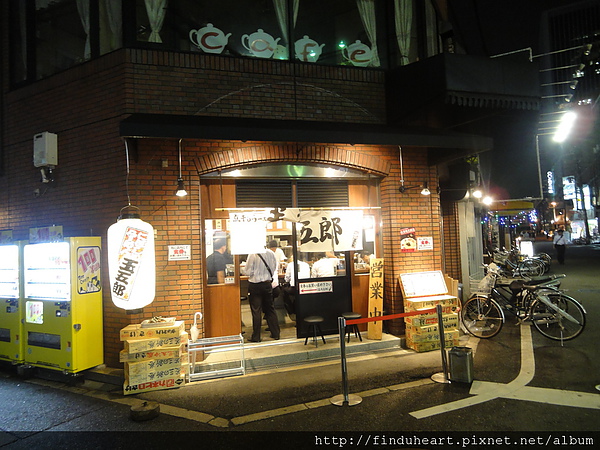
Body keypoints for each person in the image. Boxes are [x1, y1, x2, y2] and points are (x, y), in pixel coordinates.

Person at [244, 249, 280, 342]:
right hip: (267, 284)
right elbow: (274, 268)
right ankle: (276, 334)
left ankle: (256, 337)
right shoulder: (271, 253)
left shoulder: (252, 253)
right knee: (270, 309)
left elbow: (247, 272)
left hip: (255, 285)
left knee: (256, 311)